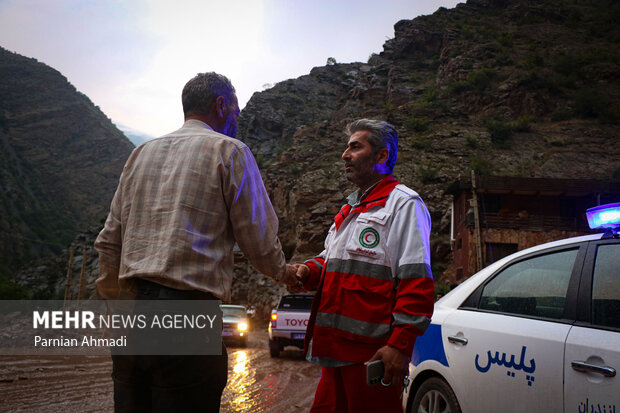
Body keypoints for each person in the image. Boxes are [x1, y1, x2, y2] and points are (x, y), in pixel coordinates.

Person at [94, 72, 298, 412]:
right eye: (235, 108)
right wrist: (286, 273)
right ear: (220, 105)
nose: (237, 117)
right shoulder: (230, 151)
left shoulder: (140, 154)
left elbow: (109, 242)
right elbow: (258, 238)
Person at [293, 119, 435, 413]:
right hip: (333, 350)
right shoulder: (349, 209)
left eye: (355, 147)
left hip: (371, 357)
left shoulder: (405, 205)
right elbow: (329, 261)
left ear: (381, 156)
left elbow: (416, 281)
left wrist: (400, 345)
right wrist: (307, 271)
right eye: (346, 147)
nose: (345, 155)